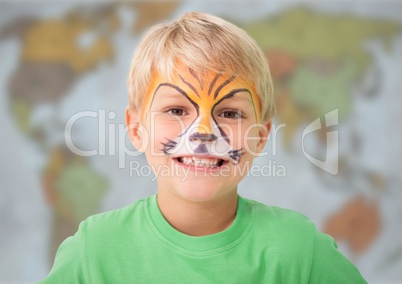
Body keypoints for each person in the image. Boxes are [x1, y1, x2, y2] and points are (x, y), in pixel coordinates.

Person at [39, 12, 366, 283]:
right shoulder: (93, 252)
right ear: (136, 128)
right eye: (176, 110)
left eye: (230, 113)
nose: (204, 133)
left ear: (261, 135)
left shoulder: (299, 252)